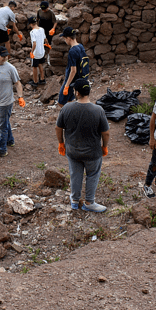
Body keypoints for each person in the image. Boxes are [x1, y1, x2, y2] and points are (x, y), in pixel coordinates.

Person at [55, 78, 109, 213]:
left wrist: (61, 143)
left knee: (75, 174)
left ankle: (74, 201)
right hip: (92, 153)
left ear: (77, 93)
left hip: (73, 151)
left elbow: (58, 127)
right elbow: (105, 132)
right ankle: (89, 202)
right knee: (92, 175)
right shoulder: (98, 110)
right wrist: (104, 146)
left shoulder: (67, 108)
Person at [0, 46, 25, 158]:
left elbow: (18, 83)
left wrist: (20, 97)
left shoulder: (11, 68)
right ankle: (10, 140)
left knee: (1, 125)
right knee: (4, 121)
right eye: (2, 56)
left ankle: (2, 149)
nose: (5, 58)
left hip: (6, 102)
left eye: (6, 55)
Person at [57, 27, 89, 107]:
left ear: (68, 38)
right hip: (80, 78)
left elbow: (73, 70)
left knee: (61, 102)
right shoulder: (80, 46)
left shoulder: (72, 51)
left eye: (65, 39)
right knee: (70, 100)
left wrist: (66, 85)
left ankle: (69, 117)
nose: (65, 41)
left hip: (71, 80)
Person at [27, 16, 46, 86]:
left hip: (36, 53)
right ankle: (42, 79)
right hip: (42, 51)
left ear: (31, 24)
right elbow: (45, 38)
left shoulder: (32, 32)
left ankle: (35, 81)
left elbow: (34, 43)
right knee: (40, 64)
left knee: (34, 67)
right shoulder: (42, 29)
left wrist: (31, 52)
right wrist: (47, 44)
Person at [36, 0, 56, 65]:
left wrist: (53, 28)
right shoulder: (39, 11)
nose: (43, 10)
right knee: (41, 42)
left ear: (47, 7)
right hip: (41, 29)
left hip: (49, 30)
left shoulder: (51, 13)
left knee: (49, 43)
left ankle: (48, 57)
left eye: (45, 9)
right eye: (42, 9)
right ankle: (41, 56)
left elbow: (55, 22)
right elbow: (37, 19)